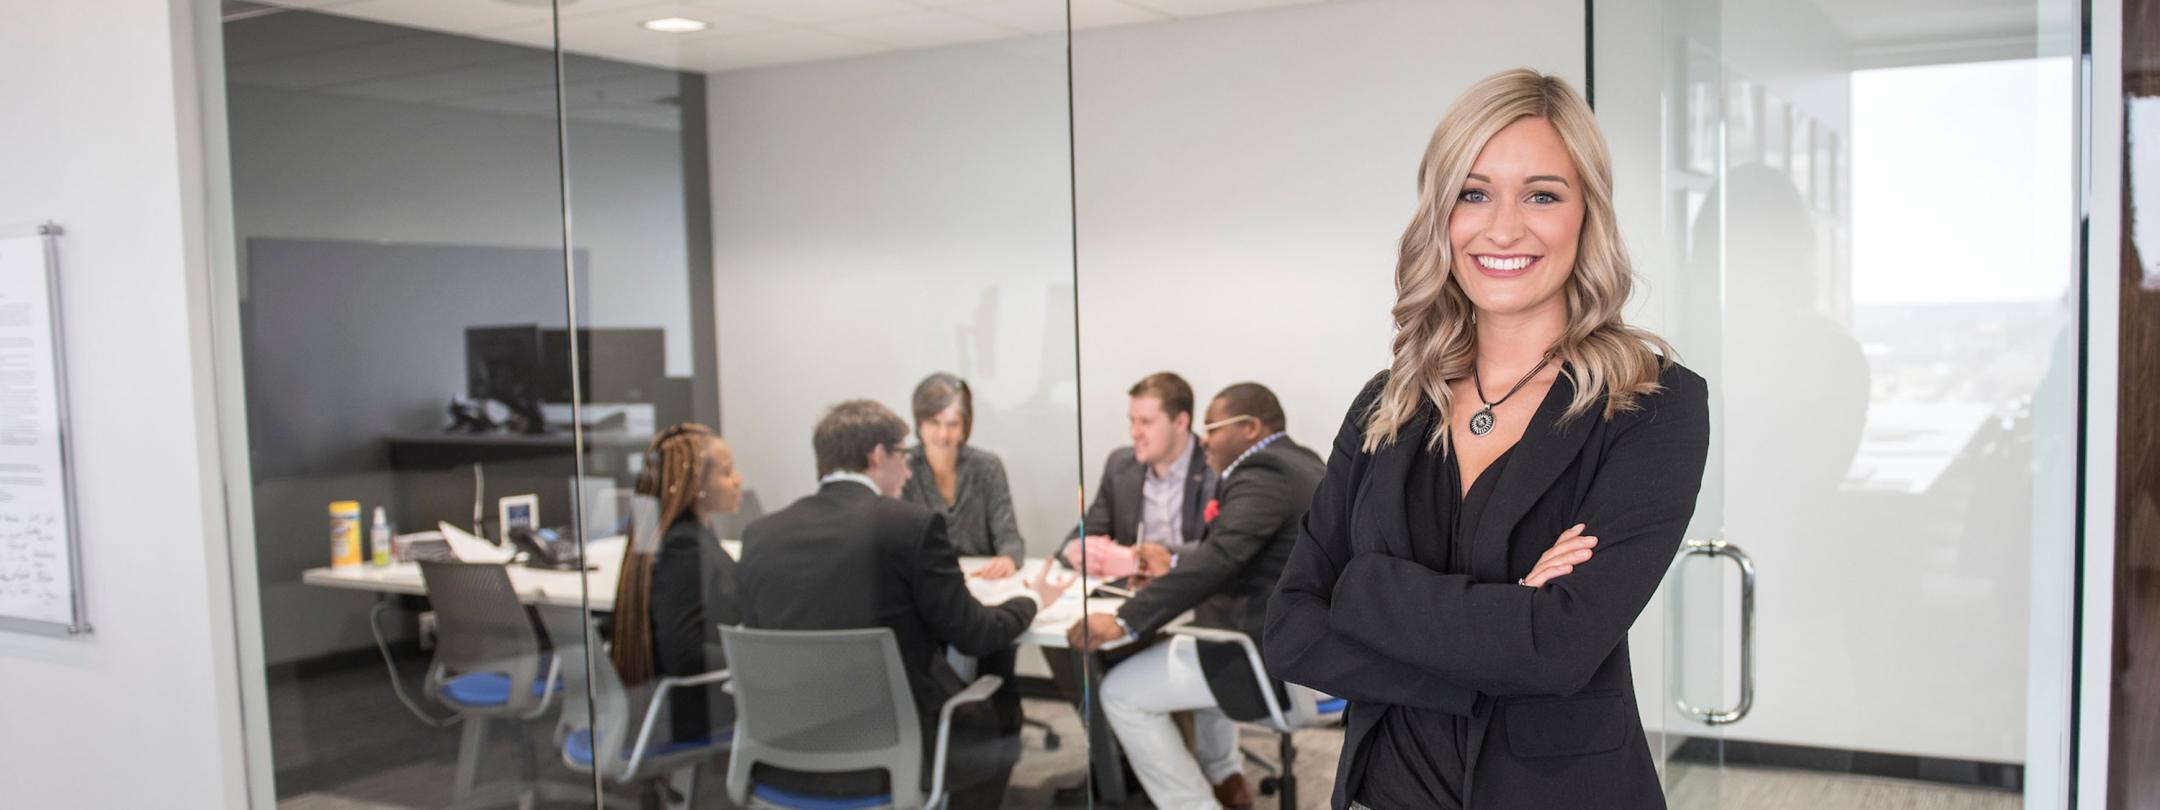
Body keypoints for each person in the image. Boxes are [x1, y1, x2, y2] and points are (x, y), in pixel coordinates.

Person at [1261, 69, 1711, 810]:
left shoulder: (1650, 406)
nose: (1503, 228)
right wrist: (1504, 621)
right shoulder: (1387, 406)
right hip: (1382, 794)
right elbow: (1290, 630)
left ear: (1586, 214)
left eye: (1542, 194)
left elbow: (1558, 648)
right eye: (1473, 193)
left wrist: (1364, 587)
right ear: (1441, 214)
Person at [735, 400, 1074, 810]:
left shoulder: (760, 535)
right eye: (903, 454)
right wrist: (1033, 597)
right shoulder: (909, 526)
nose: (910, 469)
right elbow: (976, 633)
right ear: (878, 455)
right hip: (892, 753)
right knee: (998, 708)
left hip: (783, 752)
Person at [1066, 383, 1324, 810]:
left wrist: (1126, 618)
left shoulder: (1263, 473)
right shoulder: (1301, 462)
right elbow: (1233, 558)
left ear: (1249, 428)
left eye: (1213, 427)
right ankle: (1225, 777)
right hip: (1299, 644)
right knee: (1196, 637)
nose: (1205, 440)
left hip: (1263, 654)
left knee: (1119, 693)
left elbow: (1219, 557)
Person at [608, 423, 745, 744]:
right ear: (696, 485)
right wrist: (754, 659)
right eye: (727, 472)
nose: (738, 480)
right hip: (695, 705)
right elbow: (683, 655)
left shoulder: (692, 534)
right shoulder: (683, 548)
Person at [1061, 371, 1217, 577]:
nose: (1134, 432)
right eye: (1132, 421)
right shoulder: (1121, 466)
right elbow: (1086, 532)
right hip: (1133, 592)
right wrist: (1077, 550)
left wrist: (1145, 561)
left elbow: (1220, 550)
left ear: (1181, 422)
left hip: (1195, 593)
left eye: (1145, 422)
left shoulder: (1214, 466)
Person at [902, 372, 1026, 580]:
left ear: (964, 426)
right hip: (924, 579)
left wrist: (1008, 558)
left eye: (952, 424)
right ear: (920, 424)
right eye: (934, 422)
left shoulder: (987, 467)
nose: (943, 434)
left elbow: (1009, 537)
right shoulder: (904, 468)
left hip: (983, 579)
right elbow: (896, 541)